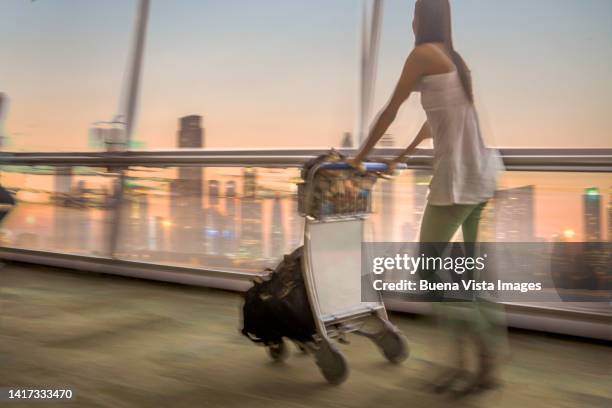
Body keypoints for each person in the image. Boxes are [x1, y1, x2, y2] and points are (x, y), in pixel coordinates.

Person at [350, 0, 505, 397]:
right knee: (471, 274)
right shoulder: (453, 59)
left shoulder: (421, 54)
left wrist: (359, 158)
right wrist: (401, 156)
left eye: (415, 11)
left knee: (429, 271)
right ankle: (485, 365)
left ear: (423, 18)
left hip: (457, 182)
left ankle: (465, 363)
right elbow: (437, 119)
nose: (411, 18)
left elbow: (390, 109)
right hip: (482, 176)